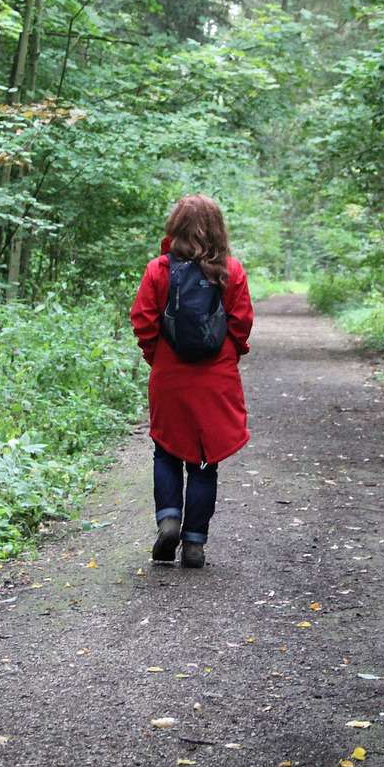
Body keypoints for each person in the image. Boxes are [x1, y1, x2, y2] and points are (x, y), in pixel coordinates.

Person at [129, 194, 254, 568]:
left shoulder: (158, 270)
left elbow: (143, 320)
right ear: (217, 228)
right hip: (215, 379)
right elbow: (241, 324)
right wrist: (227, 356)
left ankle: (169, 520)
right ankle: (194, 543)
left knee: (165, 450)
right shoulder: (232, 271)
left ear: (176, 226)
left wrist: (158, 357)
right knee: (204, 460)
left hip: (169, 375)